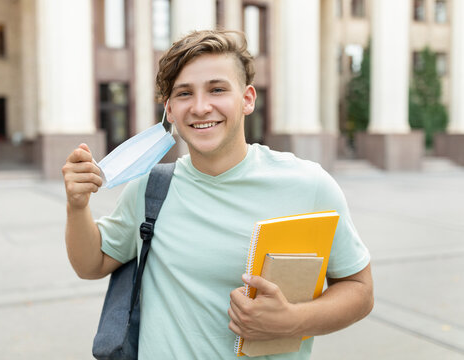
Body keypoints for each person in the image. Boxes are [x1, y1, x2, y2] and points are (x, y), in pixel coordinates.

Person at [62, 30, 373, 360]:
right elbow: (91, 264)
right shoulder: (150, 189)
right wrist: (77, 205)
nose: (200, 107)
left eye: (217, 89)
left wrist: (292, 321)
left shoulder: (309, 185)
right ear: (169, 110)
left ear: (247, 99)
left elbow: (360, 291)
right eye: (184, 94)